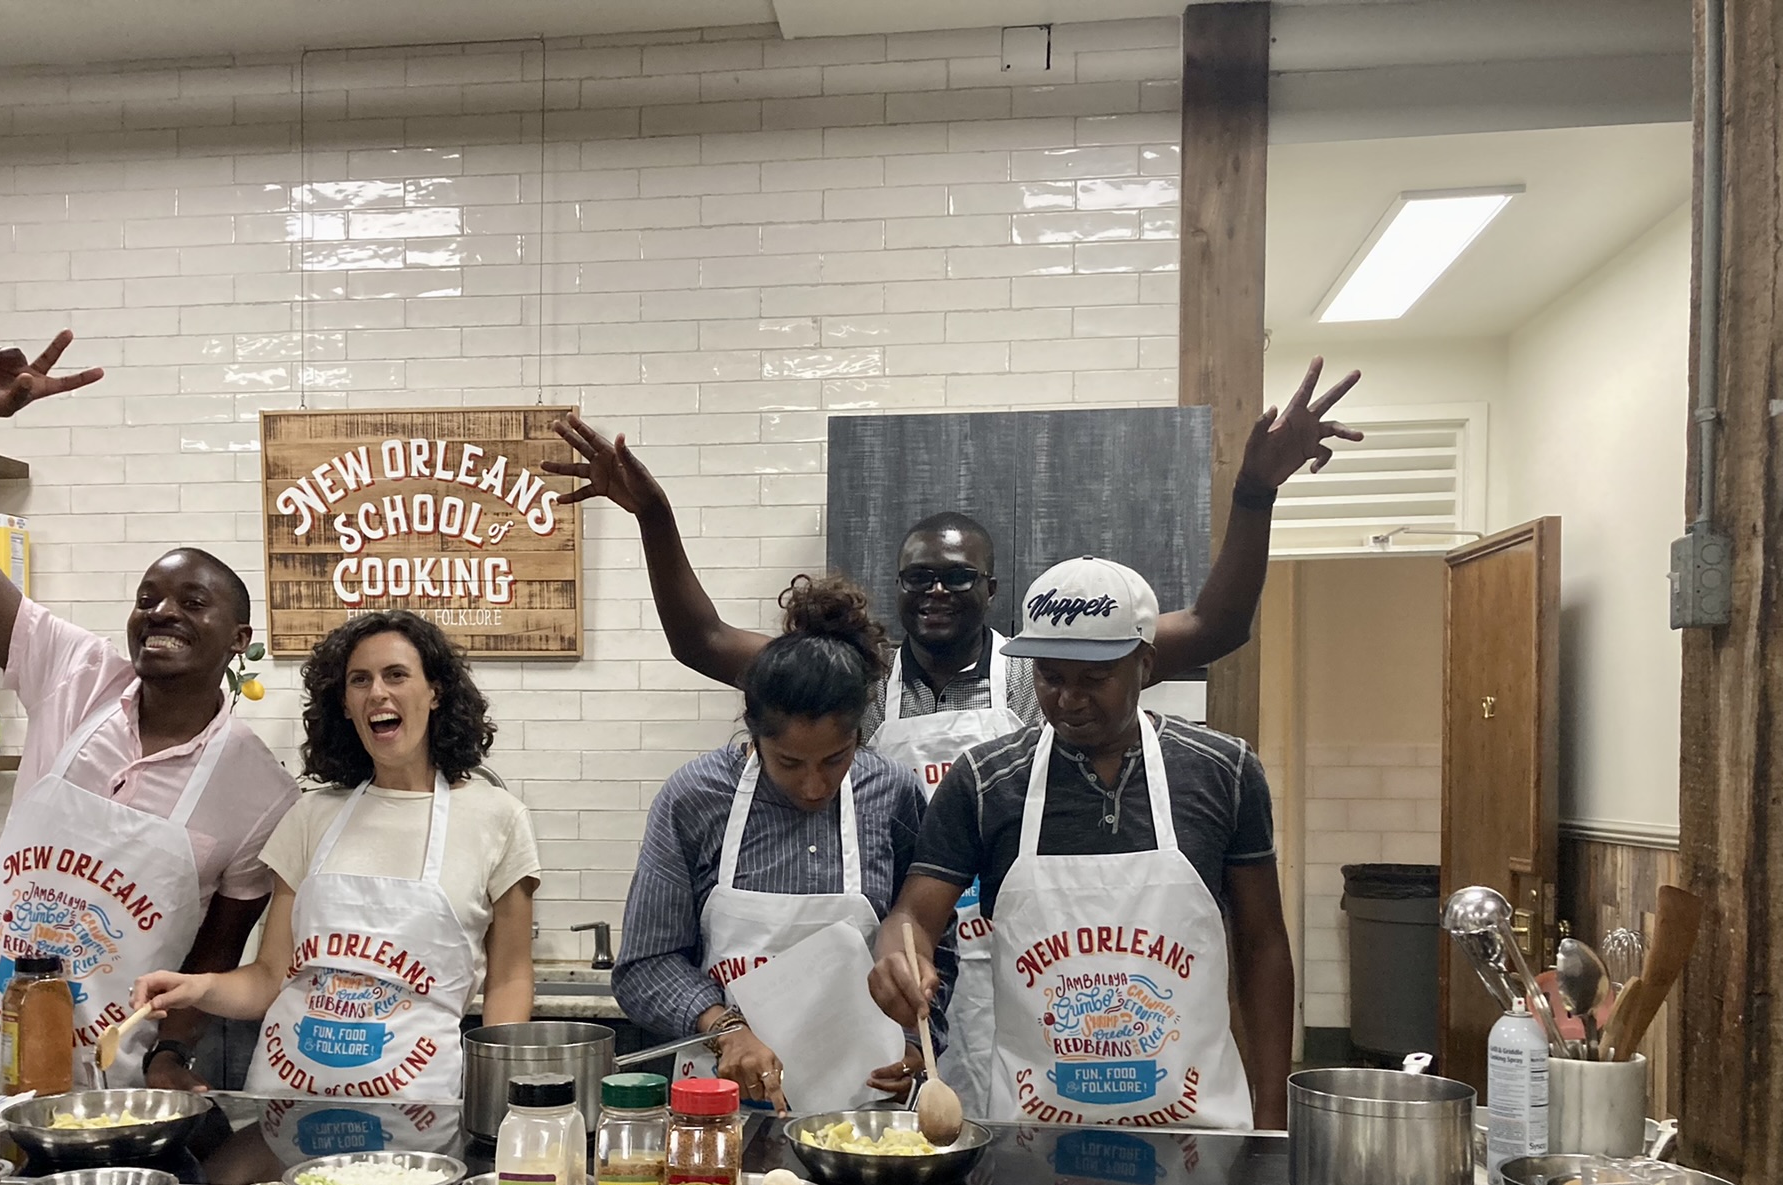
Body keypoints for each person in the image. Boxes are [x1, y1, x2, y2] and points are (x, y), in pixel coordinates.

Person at [549, 358, 1358, 1111]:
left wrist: (1253, 498)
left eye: (957, 577)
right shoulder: (851, 689)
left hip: (1022, 979)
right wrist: (655, 517)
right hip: (902, 992)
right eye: (917, 578)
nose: (1069, 696)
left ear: (992, 590)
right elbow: (704, 640)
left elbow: (1215, 624)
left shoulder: (1043, 677)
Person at [0, 332, 300, 1089]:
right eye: (147, 598)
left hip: (99, 1084)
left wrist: (173, 1056)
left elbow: (212, 958)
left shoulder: (262, 793)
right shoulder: (72, 673)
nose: (161, 613)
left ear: (240, 638)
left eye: (192, 602)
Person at [868, 557, 1294, 1130]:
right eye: (1050, 676)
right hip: (1032, 1133)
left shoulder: (1222, 770)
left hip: (1198, 1133)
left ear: (1144, 665)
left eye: (1094, 679)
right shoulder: (985, 782)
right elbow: (913, 917)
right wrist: (899, 955)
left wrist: (1271, 1117)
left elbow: (1262, 945)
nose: (1068, 700)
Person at [134, 610, 539, 1102]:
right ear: (346, 706)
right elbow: (269, 977)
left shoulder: (497, 817)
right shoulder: (312, 816)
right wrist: (199, 988)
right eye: (359, 680)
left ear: (435, 693)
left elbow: (511, 976)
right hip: (285, 1104)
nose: (378, 693)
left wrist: (499, 1094)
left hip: (417, 1112)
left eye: (396, 675)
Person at [612, 577, 955, 1108]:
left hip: (866, 1117)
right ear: (754, 731)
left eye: (836, 759)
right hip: (721, 1110)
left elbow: (934, 948)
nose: (815, 786)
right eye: (790, 763)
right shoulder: (697, 797)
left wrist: (916, 1041)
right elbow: (644, 965)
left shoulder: (892, 793)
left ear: (860, 734)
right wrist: (725, 1027)